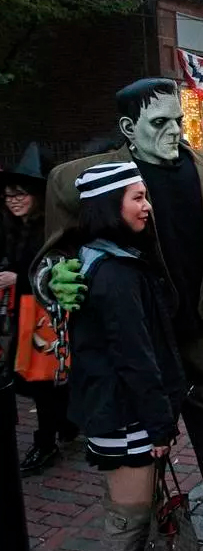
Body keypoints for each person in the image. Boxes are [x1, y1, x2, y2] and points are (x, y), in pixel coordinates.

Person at [35, 78, 203, 550]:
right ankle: (137, 535)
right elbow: (53, 252)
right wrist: (53, 279)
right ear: (129, 126)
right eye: (159, 123)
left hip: (198, 333)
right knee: (137, 456)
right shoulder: (79, 180)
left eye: (179, 121)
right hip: (132, 343)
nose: (174, 133)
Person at [67, 162, 185, 551]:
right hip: (126, 417)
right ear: (108, 205)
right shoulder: (115, 273)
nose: (147, 206)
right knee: (128, 522)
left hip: (120, 411)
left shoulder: (104, 258)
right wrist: (158, 424)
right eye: (137, 198)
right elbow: (134, 355)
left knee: (135, 515)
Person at [1, 144, 78, 473]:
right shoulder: (16, 228)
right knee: (38, 381)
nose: (14, 199)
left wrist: (15, 278)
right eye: (8, 195)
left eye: (20, 193)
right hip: (26, 315)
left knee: (43, 381)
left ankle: (46, 442)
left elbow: (53, 273)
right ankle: (66, 424)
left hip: (48, 318)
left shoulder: (52, 228)